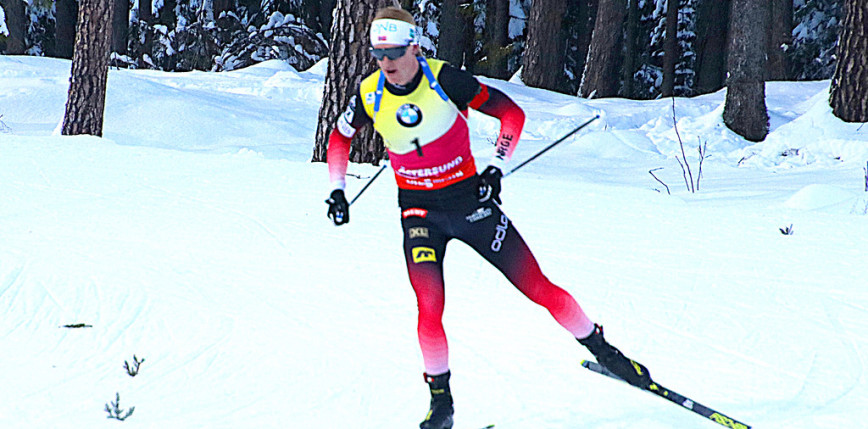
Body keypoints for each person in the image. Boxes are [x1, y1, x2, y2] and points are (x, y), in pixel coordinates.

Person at [324, 7, 651, 429]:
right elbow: (339, 136)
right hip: (419, 212)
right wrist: (337, 188)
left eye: (395, 53)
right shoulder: (369, 93)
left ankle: (605, 352)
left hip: (470, 204)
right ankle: (441, 404)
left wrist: (496, 167)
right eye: (378, 54)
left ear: (415, 47)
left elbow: (511, 115)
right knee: (429, 306)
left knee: (537, 287)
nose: (386, 63)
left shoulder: (446, 80)